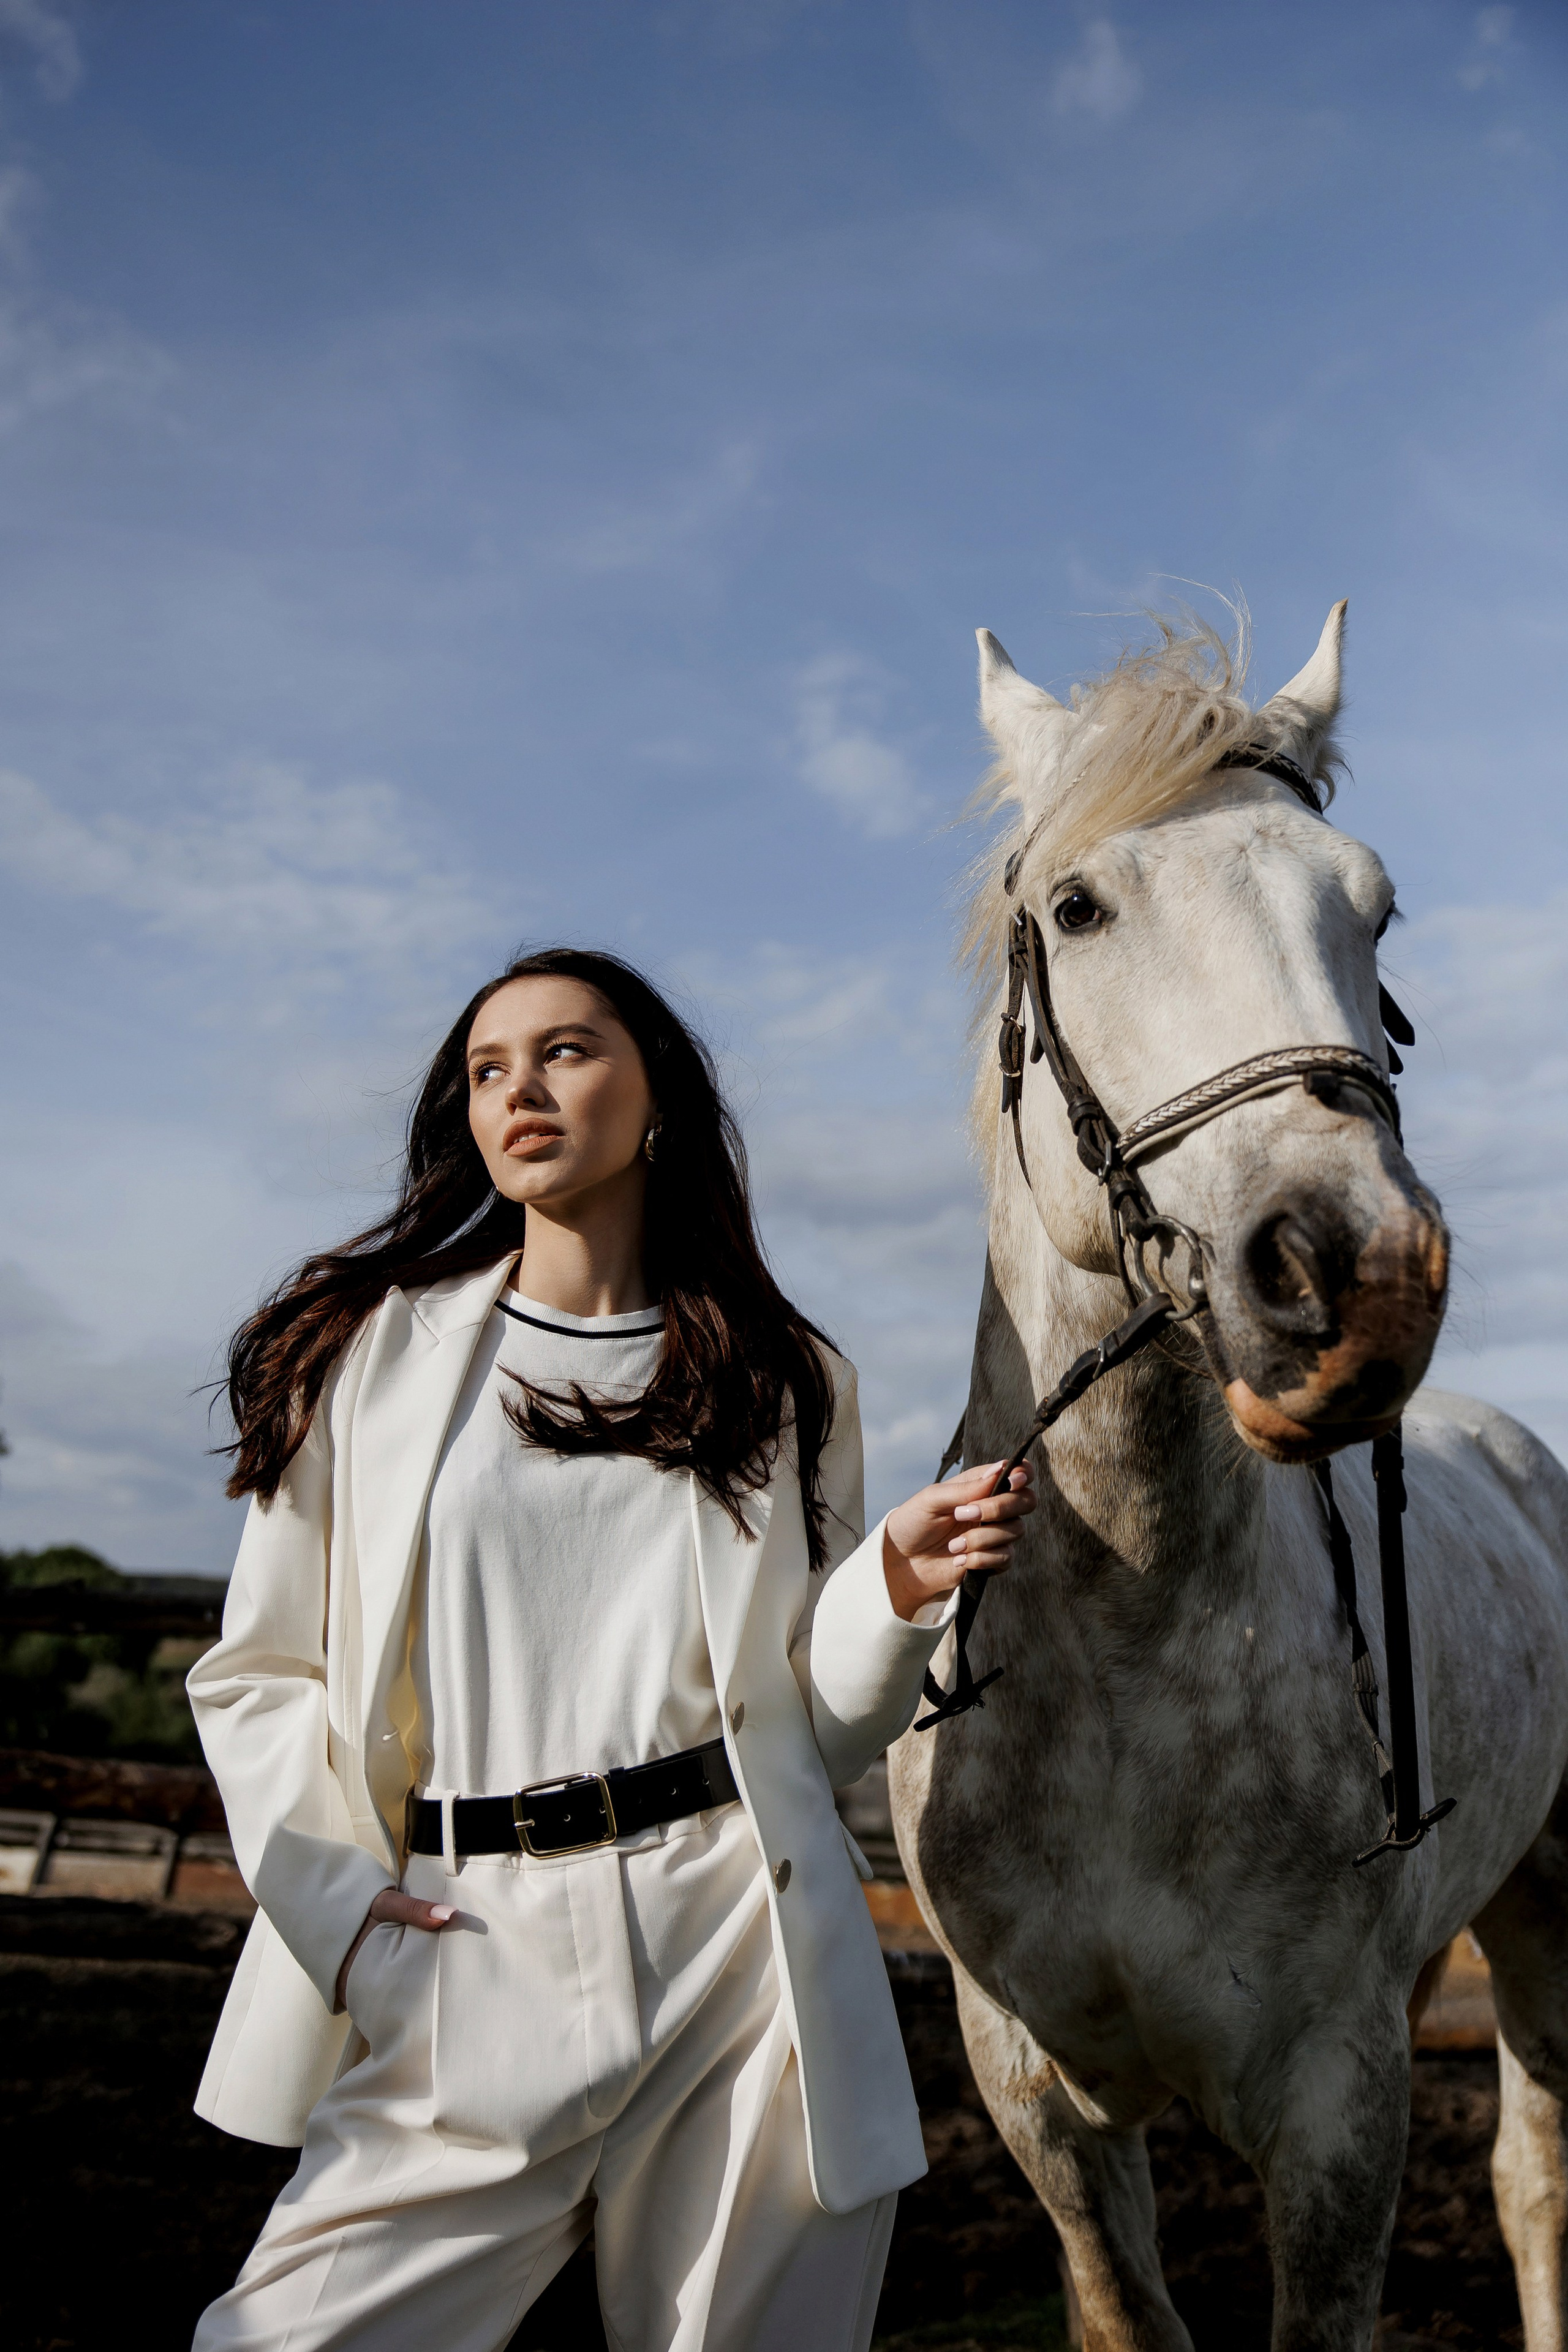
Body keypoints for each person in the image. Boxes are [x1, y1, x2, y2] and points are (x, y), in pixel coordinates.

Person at [187, 946, 1033, 2352]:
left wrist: (886, 1590)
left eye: (564, 1051)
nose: (518, 1087)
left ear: (656, 1104)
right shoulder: (366, 1357)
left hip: (736, 1946)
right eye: (484, 1068)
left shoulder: (788, 1376)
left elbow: (803, 1731)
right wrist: (342, 1924)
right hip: (458, 1951)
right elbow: (258, 1671)